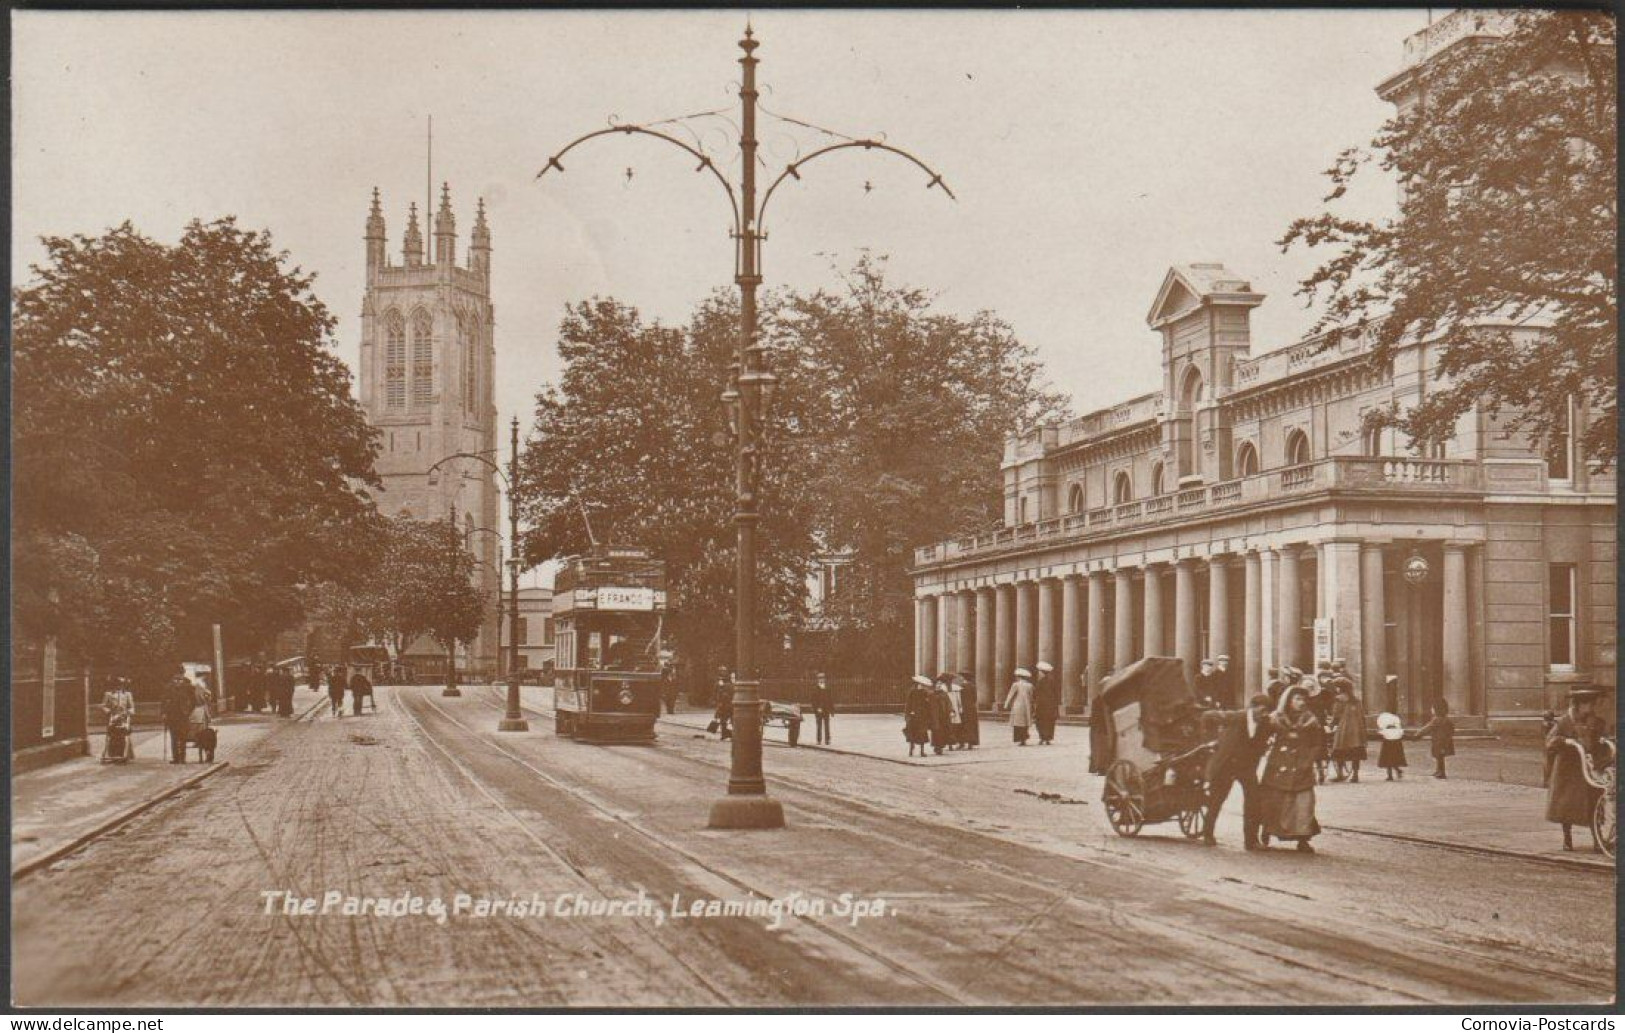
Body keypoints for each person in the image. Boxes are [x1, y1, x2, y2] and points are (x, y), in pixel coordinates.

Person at [1200, 693, 1274, 849]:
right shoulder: (1235, 717)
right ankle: (1207, 833)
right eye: (1262, 711)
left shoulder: (1266, 724)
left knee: (1253, 800)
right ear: (1252, 707)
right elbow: (1207, 715)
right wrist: (1211, 740)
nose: (1264, 715)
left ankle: (1251, 841)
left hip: (1246, 767)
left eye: (1267, 711)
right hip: (1226, 765)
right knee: (1217, 799)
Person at [1257, 683, 1324, 853]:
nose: (1301, 702)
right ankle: (1267, 830)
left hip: (1302, 766)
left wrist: (1309, 760)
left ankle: (1303, 838)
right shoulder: (1276, 719)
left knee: (1304, 803)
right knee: (1274, 800)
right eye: (1297, 699)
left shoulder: (1310, 720)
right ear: (1288, 700)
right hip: (1279, 765)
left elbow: (1317, 743)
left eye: (1304, 699)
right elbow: (1262, 738)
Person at [1544, 688, 1606, 851]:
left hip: (1589, 767)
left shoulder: (1597, 722)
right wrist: (1564, 741)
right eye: (1588, 704)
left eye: (1593, 704)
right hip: (1568, 769)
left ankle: (1597, 839)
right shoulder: (1565, 721)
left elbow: (1602, 741)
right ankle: (1567, 838)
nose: (1591, 708)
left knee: (1594, 803)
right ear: (1578, 705)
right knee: (1566, 804)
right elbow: (1550, 742)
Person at [1328, 676, 1367, 783]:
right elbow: (1362, 715)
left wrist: (1331, 725)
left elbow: (1336, 715)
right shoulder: (1357, 700)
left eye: (1337, 687)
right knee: (1356, 752)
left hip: (1344, 729)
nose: (1336, 689)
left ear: (1340, 688)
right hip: (1356, 730)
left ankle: (1340, 774)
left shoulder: (1339, 699)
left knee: (1339, 750)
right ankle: (1355, 775)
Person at [1412, 698, 1456, 779]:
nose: (1431, 709)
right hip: (1445, 741)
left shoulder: (1436, 719)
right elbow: (1452, 730)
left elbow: (1427, 728)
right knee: (1440, 756)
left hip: (1438, 741)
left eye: (1433, 708)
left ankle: (1441, 772)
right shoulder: (1447, 719)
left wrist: (1417, 735)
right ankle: (1439, 771)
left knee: (1439, 756)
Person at [163, 670, 196, 764]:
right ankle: (176, 758)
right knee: (174, 737)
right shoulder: (168, 688)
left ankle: (182, 758)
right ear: (173, 679)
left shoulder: (188, 687)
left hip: (183, 716)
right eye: (175, 679)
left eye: (180, 679)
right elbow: (163, 701)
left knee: (183, 737)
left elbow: (193, 701)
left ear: (182, 677)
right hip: (172, 716)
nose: (177, 681)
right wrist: (164, 713)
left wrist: (188, 711)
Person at [102, 677, 137, 763]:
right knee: (112, 734)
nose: (119, 686)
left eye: (121, 685)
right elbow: (103, 706)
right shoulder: (108, 694)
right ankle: (112, 754)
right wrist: (109, 711)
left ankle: (125, 754)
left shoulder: (127, 694)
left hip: (124, 717)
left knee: (124, 734)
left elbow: (132, 707)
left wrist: (128, 712)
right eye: (117, 685)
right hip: (113, 717)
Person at [904, 675, 935, 757]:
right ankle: (911, 749)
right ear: (917, 683)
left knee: (922, 733)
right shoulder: (912, 692)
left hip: (923, 716)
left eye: (922, 684)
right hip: (913, 715)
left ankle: (922, 751)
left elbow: (928, 705)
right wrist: (908, 713)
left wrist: (928, 715)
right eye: (919, 684)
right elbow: (908, 704)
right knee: (912, 733)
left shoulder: (925, 693)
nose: (921, 685)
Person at [1005, 668, 1035, 746]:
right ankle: (1024, 739)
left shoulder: (1016, 684)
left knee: (1018, 723)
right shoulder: (1030, 685)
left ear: (1019, 676)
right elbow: (1032, 696)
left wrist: (1006, 704)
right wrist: (1032, 705)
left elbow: (1010, 695)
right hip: (1027, 706)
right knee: (1025, 723)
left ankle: (1020, 739)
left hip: (1018, 705)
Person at [1032, 661, 1059, 745]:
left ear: (1042, 672)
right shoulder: (1052, 681)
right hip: (1050, 705)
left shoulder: (1040, 682)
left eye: (1040, 671)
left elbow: (1036, 693)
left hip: (1042, 705)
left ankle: (1042, 737)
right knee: (1049, 722)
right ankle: (1048, 738)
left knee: (1040, 721)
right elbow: (1056, 693)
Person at [1376, 712, 1407, 779]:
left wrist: (1381, 731)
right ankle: (1396, 771)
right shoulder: (1396, 720)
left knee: (1388, 759)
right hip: (1395, 740)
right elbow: (1400, 729)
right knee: (1393, 758)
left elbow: (1381, 730)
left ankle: (1390, 775)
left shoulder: (1385, 719)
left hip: (1388, 741)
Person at [954, 672, 980, 749]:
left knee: (962, 725)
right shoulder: (973, 686)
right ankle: (970, 743)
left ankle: (961, 743)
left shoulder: (961, 687)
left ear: (964, 678)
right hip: (971, 708)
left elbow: (958, 698)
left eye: (962, 677)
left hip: (963, 708)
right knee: (971, 725)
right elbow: (975, 698)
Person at [810, 672, 834, 745]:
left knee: (827, 725)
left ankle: (827, 739)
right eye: (819, 678)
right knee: (819, 725)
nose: (821, 679)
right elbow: (813, 700)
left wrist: (832, 710)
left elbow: (830, 699)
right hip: (819, 709)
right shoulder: (815, 688)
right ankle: (819, 740)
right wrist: (816, 708)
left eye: (822, 678)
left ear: (824, 679)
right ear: (817, 679)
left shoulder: (828, 687)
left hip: (826, 709)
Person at [712, 668, 733, 740]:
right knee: (725, 720)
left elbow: (716, 694)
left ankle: (726, 734)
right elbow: (716, 694)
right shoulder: (729, 684)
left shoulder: (721, 684)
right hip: (726, 704)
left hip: (726, 704)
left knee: (724, 720)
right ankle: (726, 734)